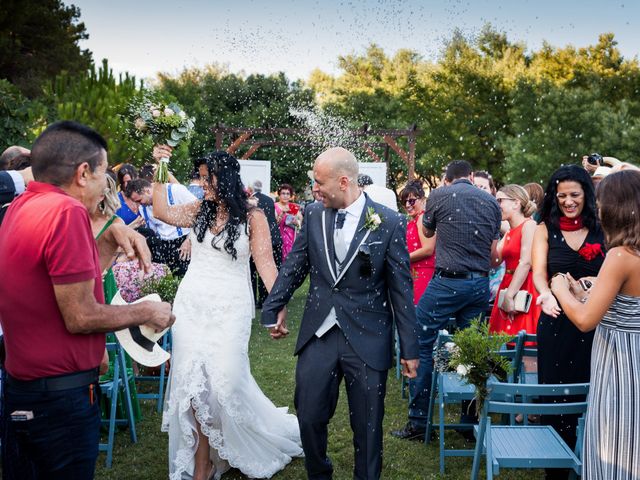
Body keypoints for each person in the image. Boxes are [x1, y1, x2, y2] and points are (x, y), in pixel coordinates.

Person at [0, 121, 174, 479]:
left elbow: (58, 287)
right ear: (83, 173)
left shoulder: (19, 208)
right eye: (101, 175)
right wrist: (146, 310)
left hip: (25, 394)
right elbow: (79, 315)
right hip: (59, 401)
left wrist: (108, 243)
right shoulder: (68, 212)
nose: (103, 189)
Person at [261, 147, 419, 480]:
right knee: (308, 416)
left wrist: (410, 349)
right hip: (319, 333)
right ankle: (320, 474)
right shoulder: (314, 214)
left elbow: (401, 290)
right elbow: (294, 267)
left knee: (368, 426)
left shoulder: (389, 222)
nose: (313, 189)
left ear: (343, 181)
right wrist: (273, 307)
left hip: (368, 336)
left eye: (319, 182)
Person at [152, 151, 302, 480]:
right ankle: (203, 463)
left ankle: (242, 439)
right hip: (191, 304)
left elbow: (265, 265)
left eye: (209, 178)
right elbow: (161, 211)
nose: (203, 185)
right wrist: (160, 167)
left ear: (227, 179)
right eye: (201, 177)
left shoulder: (253, 217)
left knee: (228, 382)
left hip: (230, 304)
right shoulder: (198, 210)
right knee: (193, 382)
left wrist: (278, 305)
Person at [393, 160, 501, 442]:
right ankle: (469, 422)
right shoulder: (490, 202)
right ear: (471, 176)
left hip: (447, 282)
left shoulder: (441, 195)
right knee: (471, 349)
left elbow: (427, 233)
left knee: (421, 342)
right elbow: (493, 255)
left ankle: (418, 421)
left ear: (447, 179)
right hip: (479, 284)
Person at [550, 170, 640, 479]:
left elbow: (586, 321)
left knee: (614, 447)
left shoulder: (620, 255)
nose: (598, 209)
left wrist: (560, 289)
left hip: (620, 367)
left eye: (602, 202)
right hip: (635, 357)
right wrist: (587, 291)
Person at [532, 164, 604, 478]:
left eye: (574, 195)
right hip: (556, 322)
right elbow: (538, 273)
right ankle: (555, 468)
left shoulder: (603, 228)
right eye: (562, 196)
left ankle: (594, 461)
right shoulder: (545, 228)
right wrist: (546, 293)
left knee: (593, 394)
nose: (568, 201)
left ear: (587, 194)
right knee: (555, 396)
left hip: (596, 324)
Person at [489, 185, 540, 337]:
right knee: (502, 341)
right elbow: (494, 261)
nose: (497, 206)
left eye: (500, 201)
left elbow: (526, 262)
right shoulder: (509, 232)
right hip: (507, 284)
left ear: (516, 203)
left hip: (524, 286)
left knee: (523, 339)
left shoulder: (529, 225)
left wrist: (510, 296)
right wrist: (492, 233)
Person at [126, 177, 195, 277]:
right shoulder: (143, 208)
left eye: (139, 200)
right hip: (165, 246)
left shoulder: (176, 190)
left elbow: (201, 215)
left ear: (147, 191)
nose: (139, 205)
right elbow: (154, 232)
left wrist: (190, 240)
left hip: (185, 242)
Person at [399, 179, 436, 304]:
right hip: (414, 273)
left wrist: (403, 259)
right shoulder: (414, 220)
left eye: (411, 201)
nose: (408, 205)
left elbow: (428, 249)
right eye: (404, 202)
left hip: (423, 274)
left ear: (422, 200)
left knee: (418, 313)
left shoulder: (422, 218)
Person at [249, 179, 283, 307]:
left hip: (259, 238)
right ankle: (266, 298)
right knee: (269, 268)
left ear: (251, 190)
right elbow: (273, 217)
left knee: (253, 270)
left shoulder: (251, 201)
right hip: (274, 238)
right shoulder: (269, 200)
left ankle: (253, 298)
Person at [275, 183, 302, 263]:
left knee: (290, 261)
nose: (285, 196)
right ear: (279, 195)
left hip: (291, 238)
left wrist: (296, 222)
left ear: (290, 196)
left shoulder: (293, 207)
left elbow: (300, 223)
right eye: (283, 193)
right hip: (279, 237)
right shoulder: (275, 206)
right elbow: (274, 224)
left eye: (287, 194)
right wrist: (282, 213)